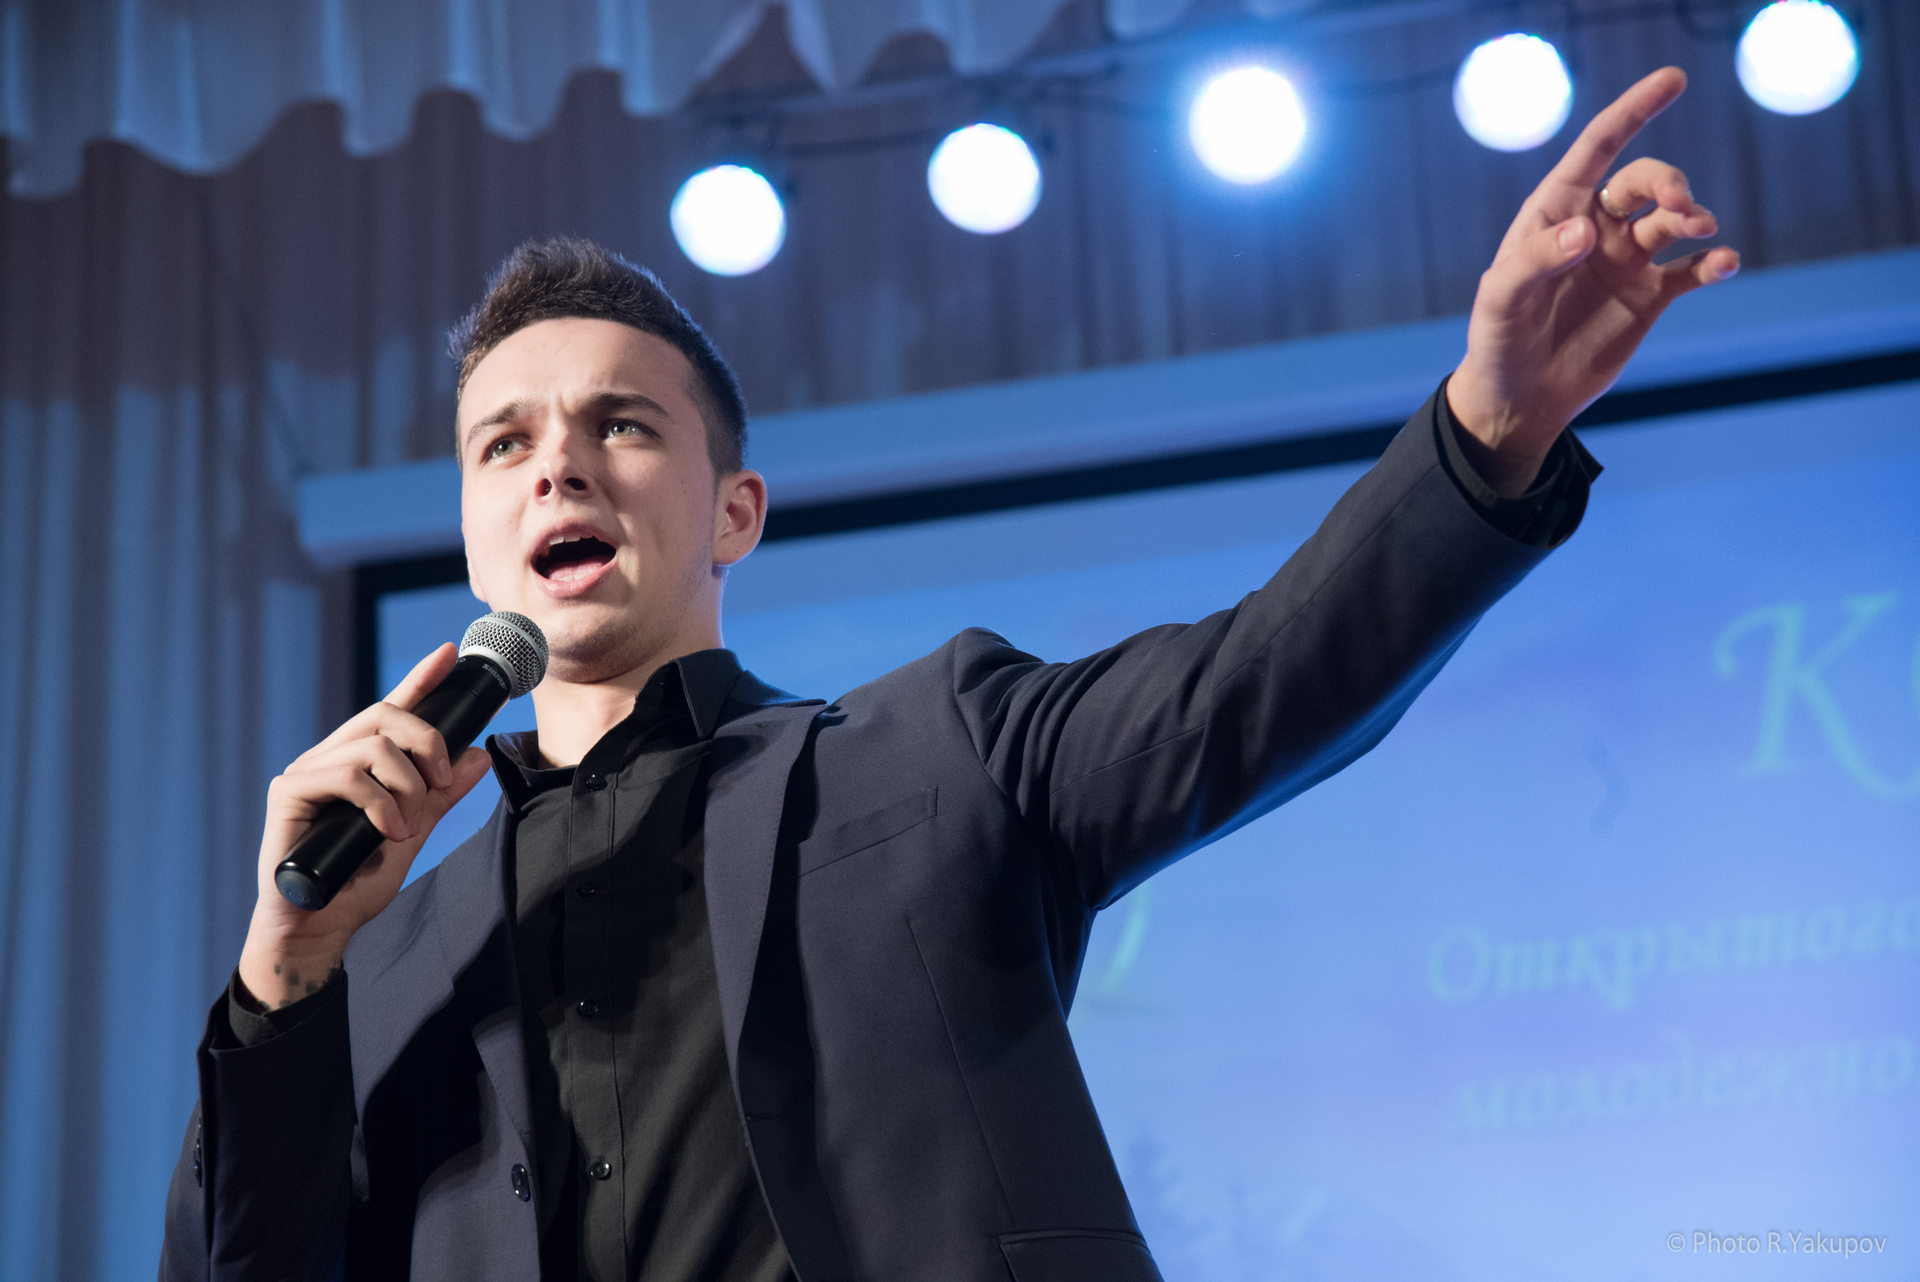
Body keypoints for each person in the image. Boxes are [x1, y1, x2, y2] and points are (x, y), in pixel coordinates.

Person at [163, 68, 1737, 1281]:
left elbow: (1258, 683)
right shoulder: (380, 949)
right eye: (504, 444)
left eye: (619, 424)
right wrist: (281, 975)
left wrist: (1486, 431)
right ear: (473, 531)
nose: (557, 464)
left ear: (734, 512)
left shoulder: (939, 750)